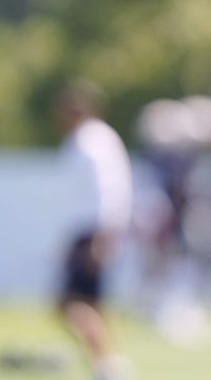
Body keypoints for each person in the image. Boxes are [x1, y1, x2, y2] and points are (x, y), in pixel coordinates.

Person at [54, 79, 133, 380]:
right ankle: (107, 362)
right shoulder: (91, 139)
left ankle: (109, 365)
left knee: (70, 302)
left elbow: (108, 190)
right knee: (93, 303)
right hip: (89, 229)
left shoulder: (91, 142)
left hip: (92, 230)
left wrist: (102, 236)